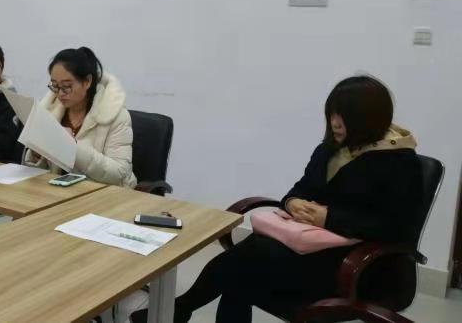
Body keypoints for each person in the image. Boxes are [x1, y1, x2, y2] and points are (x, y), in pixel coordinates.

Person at [133, 76, 422, 323]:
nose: (334, 123)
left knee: (245, 261)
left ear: (367, 119)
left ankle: (181, 308)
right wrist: (292, 202)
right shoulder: (331, 150)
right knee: (243, 267)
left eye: (343, 117)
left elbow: (396, 228)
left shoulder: (399, 162)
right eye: (332, 114)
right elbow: (300, 189)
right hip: (312, 247)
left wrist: (329, 218)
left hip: (359, 266)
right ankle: (180, 308)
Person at [25, 47, 137, 188]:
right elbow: (40, 174)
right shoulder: (51, 110)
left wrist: (74, 147)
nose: (60, 94)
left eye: (66, 86)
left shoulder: (115, 115)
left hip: (105, 194)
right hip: (61, 191)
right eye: (55, 86)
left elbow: (120, 173)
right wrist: (37, 154)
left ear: (87, 81)